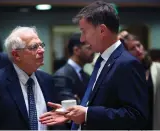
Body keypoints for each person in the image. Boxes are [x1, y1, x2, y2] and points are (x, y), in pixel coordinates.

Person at [39, 1, 148, 130]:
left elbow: (136, 116)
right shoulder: (102, 60)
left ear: (102, 30)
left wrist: (87, 114)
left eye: (84, 31)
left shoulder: (127, 64)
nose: (82, 39)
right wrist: (72, 114)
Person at [0, 26, 57, 130]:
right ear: (16, 55)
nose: (42, 50)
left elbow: (55, 122)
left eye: (41, 45)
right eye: (34, 47)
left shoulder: (47, 80)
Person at [122, 34, 160, 129]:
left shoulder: (157, 68)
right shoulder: (126, 74)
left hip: (154, 122)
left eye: (138, 45)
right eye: (132, 48)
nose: (138, 50)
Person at [54, 33, 94, 104]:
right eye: (89, 48)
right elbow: (69, 106)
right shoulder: (62, 75)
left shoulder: (86, 76)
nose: (93, 52)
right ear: (76, 50)